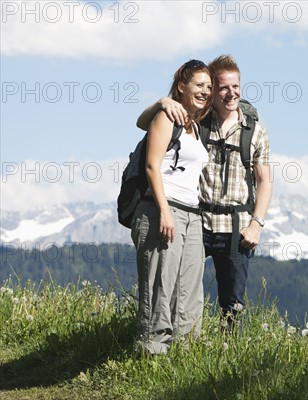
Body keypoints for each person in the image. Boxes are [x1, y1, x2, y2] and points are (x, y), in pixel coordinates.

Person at [137, 54, 272, 330]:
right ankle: (165, 343)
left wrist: (256, 224)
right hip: (197, 221)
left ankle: (224, 360)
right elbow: (144, 124)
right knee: (177, 287)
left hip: (236, 227)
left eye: (235, 86)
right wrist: (163, 102)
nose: (229, 93)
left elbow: (265, 181)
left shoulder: (254, 131)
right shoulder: (197, 120)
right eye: (221, 87)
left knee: (232, 304)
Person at [131, 59, 211, 354]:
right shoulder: (166, 116)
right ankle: (151, 355)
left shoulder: (195, 127)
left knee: (190, 291)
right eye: (199, 85)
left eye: (208, 86)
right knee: (159, 287)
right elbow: (152, 166)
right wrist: (164, 210)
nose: (205, 91)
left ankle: (185, 355)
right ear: (182, 86)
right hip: (162, 209)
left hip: (192, 215)